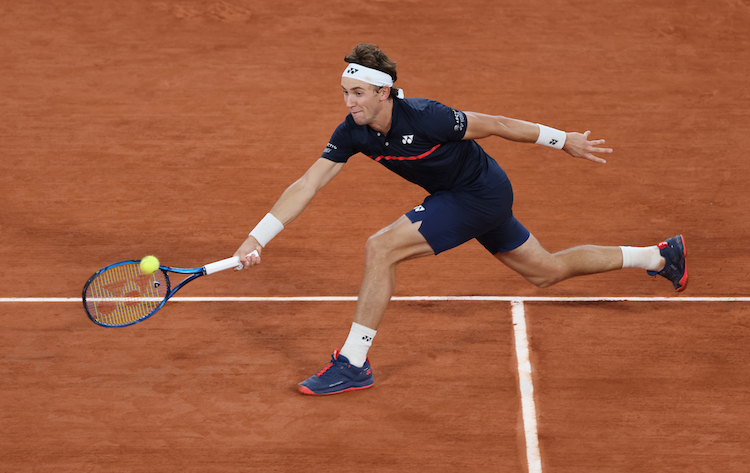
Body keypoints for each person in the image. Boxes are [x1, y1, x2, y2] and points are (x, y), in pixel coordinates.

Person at [233, 43, 688, 396]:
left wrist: (562, 139)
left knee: (381, 246)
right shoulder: (351, 132)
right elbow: (307, 183)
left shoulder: (428, 117)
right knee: (546, 270)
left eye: (358, 93)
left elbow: (498, 123)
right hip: (463, 196)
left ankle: (353, 363)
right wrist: (258, 237)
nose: (349, 102)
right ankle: (657, 256)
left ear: (383, 92)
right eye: (345, 93)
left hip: (479, 193)